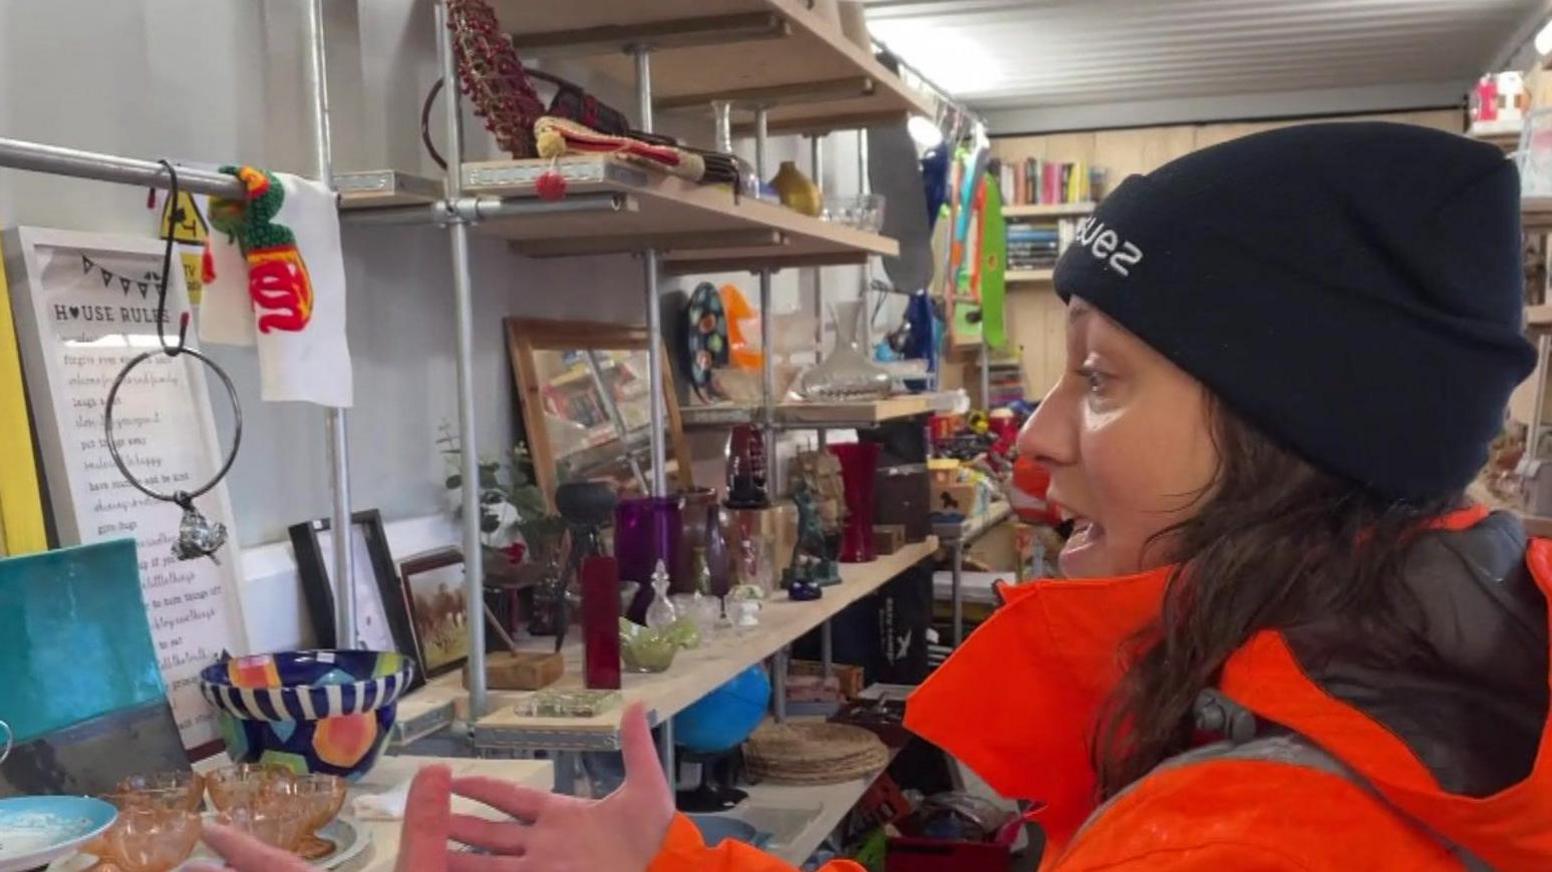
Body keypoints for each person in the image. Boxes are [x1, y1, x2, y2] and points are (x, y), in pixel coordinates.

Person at [200, 123, 1552, 871]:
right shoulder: (1429, 662)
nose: (1041, 442)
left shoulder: (1250, 837)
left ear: (1289, 427)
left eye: (1106, 380)